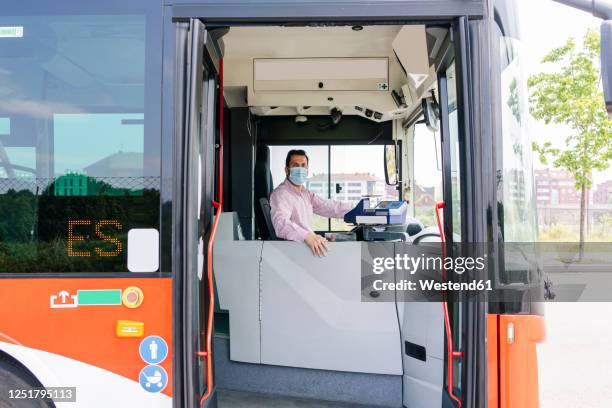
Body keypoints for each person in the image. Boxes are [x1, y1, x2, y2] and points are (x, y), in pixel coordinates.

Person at [270, 149, 352, 256]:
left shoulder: (305, 193)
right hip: (297, 250)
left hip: (307, 248)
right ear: (287, 170)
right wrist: (307, 236)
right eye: (295, 165)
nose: (300, 169)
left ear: (307, 170)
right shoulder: (281, 194)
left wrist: (356, 210)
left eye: (303, 165)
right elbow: (281, 223)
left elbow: (329, 206)